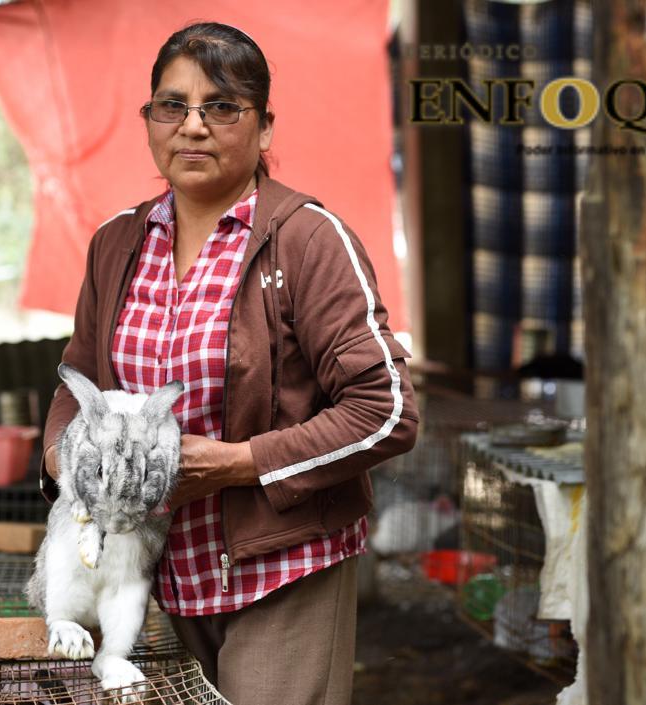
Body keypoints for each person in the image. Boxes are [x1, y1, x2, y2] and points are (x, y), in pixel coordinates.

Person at [40, 21, 419, 705]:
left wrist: (237, 463)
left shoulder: (308, 240)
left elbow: (385, 409)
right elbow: (81, 377)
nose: (193, 126)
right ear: (149, 120)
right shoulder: (118, 243)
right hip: (157, 570)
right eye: (172, 105)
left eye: (221, 106)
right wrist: (65, 463)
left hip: (282, 567)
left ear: (265, 127)